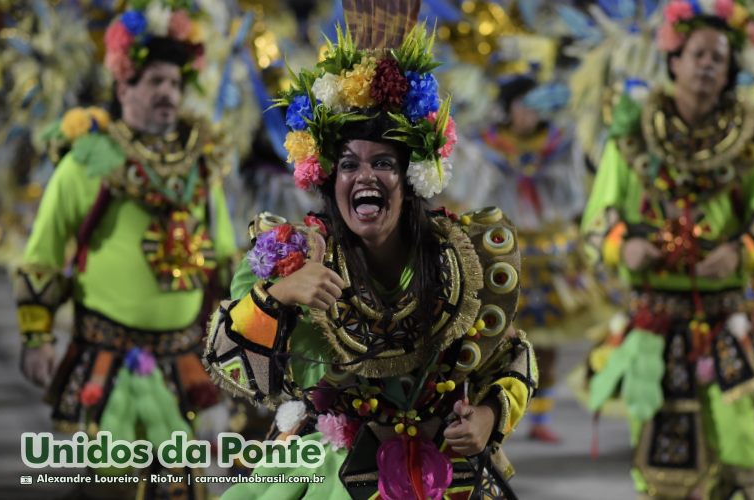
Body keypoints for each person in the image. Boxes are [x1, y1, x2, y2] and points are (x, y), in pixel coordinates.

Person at [204, 3, 538, 498]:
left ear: (412, 177)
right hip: (329, 474)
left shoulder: (462, 258)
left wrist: (488, 416)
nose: (365, 177)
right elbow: (226, 362)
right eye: (348, 165)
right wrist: (277, 296)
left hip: (444, 477)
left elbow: (513, 356)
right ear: (328, 178)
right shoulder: (292, 255)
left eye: (384, 162)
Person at [14, 1, 236, 496]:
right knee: (111, 487)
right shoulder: (88, 161)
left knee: (184, 489)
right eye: (154, 81)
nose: (168, 93)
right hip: (107, 357)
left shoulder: (201, 166)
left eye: (175, 84)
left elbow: (225, 265)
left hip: (184, 357)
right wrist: (37, 336)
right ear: (122, 88)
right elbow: (43, 251)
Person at [581, 2, 754, 498]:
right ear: (674, 60)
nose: (708, 65)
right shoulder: (632, 136)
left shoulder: (751, 140)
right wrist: (621, 246)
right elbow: (595, 226)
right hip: (652, 320)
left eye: (719, 57)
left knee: (737, 440)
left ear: (730, 69)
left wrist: (740, 253)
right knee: (656, 447)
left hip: (724, 315)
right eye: (698, 54)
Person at [481, 75, 593, 443]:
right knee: (495, 337)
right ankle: (496, 410)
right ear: (507, 108)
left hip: (549, 254)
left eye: (537, 105)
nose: (530, 114)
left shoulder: (558, 144)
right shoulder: (487, 144)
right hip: (502, 251)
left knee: (546, 342)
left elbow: (573, 189)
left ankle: (539, 418)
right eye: (523, 105)